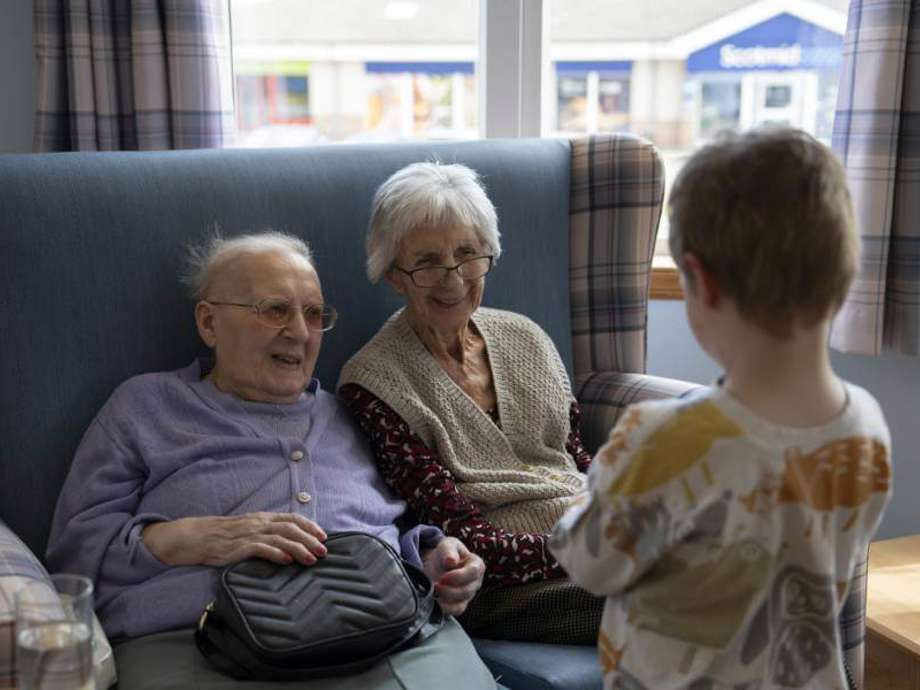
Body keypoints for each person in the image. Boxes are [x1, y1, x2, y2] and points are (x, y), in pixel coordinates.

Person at [46, 231, 494, 690]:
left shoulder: (354, 409)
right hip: (198, 642)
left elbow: (390, 525)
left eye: (314, 313)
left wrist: (433, 557)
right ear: (209, 323)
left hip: (385, 634)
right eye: (275, 310)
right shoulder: (144, 406)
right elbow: (74, 561)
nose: (300, 332)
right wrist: (192, 539)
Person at [549, 127, 893, 690]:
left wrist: (603, 479)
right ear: (845, 271)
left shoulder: (668, 439)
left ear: (701, 283)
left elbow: (590, 563)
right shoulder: (866, 424)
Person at [338, 162, 603, 644]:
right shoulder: (371, 382)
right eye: (427, 262)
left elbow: (574, 461)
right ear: (394, 275)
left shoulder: (528, 337)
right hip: (501, 585)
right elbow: (462, 537)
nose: (453, 278)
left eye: (467, 254)